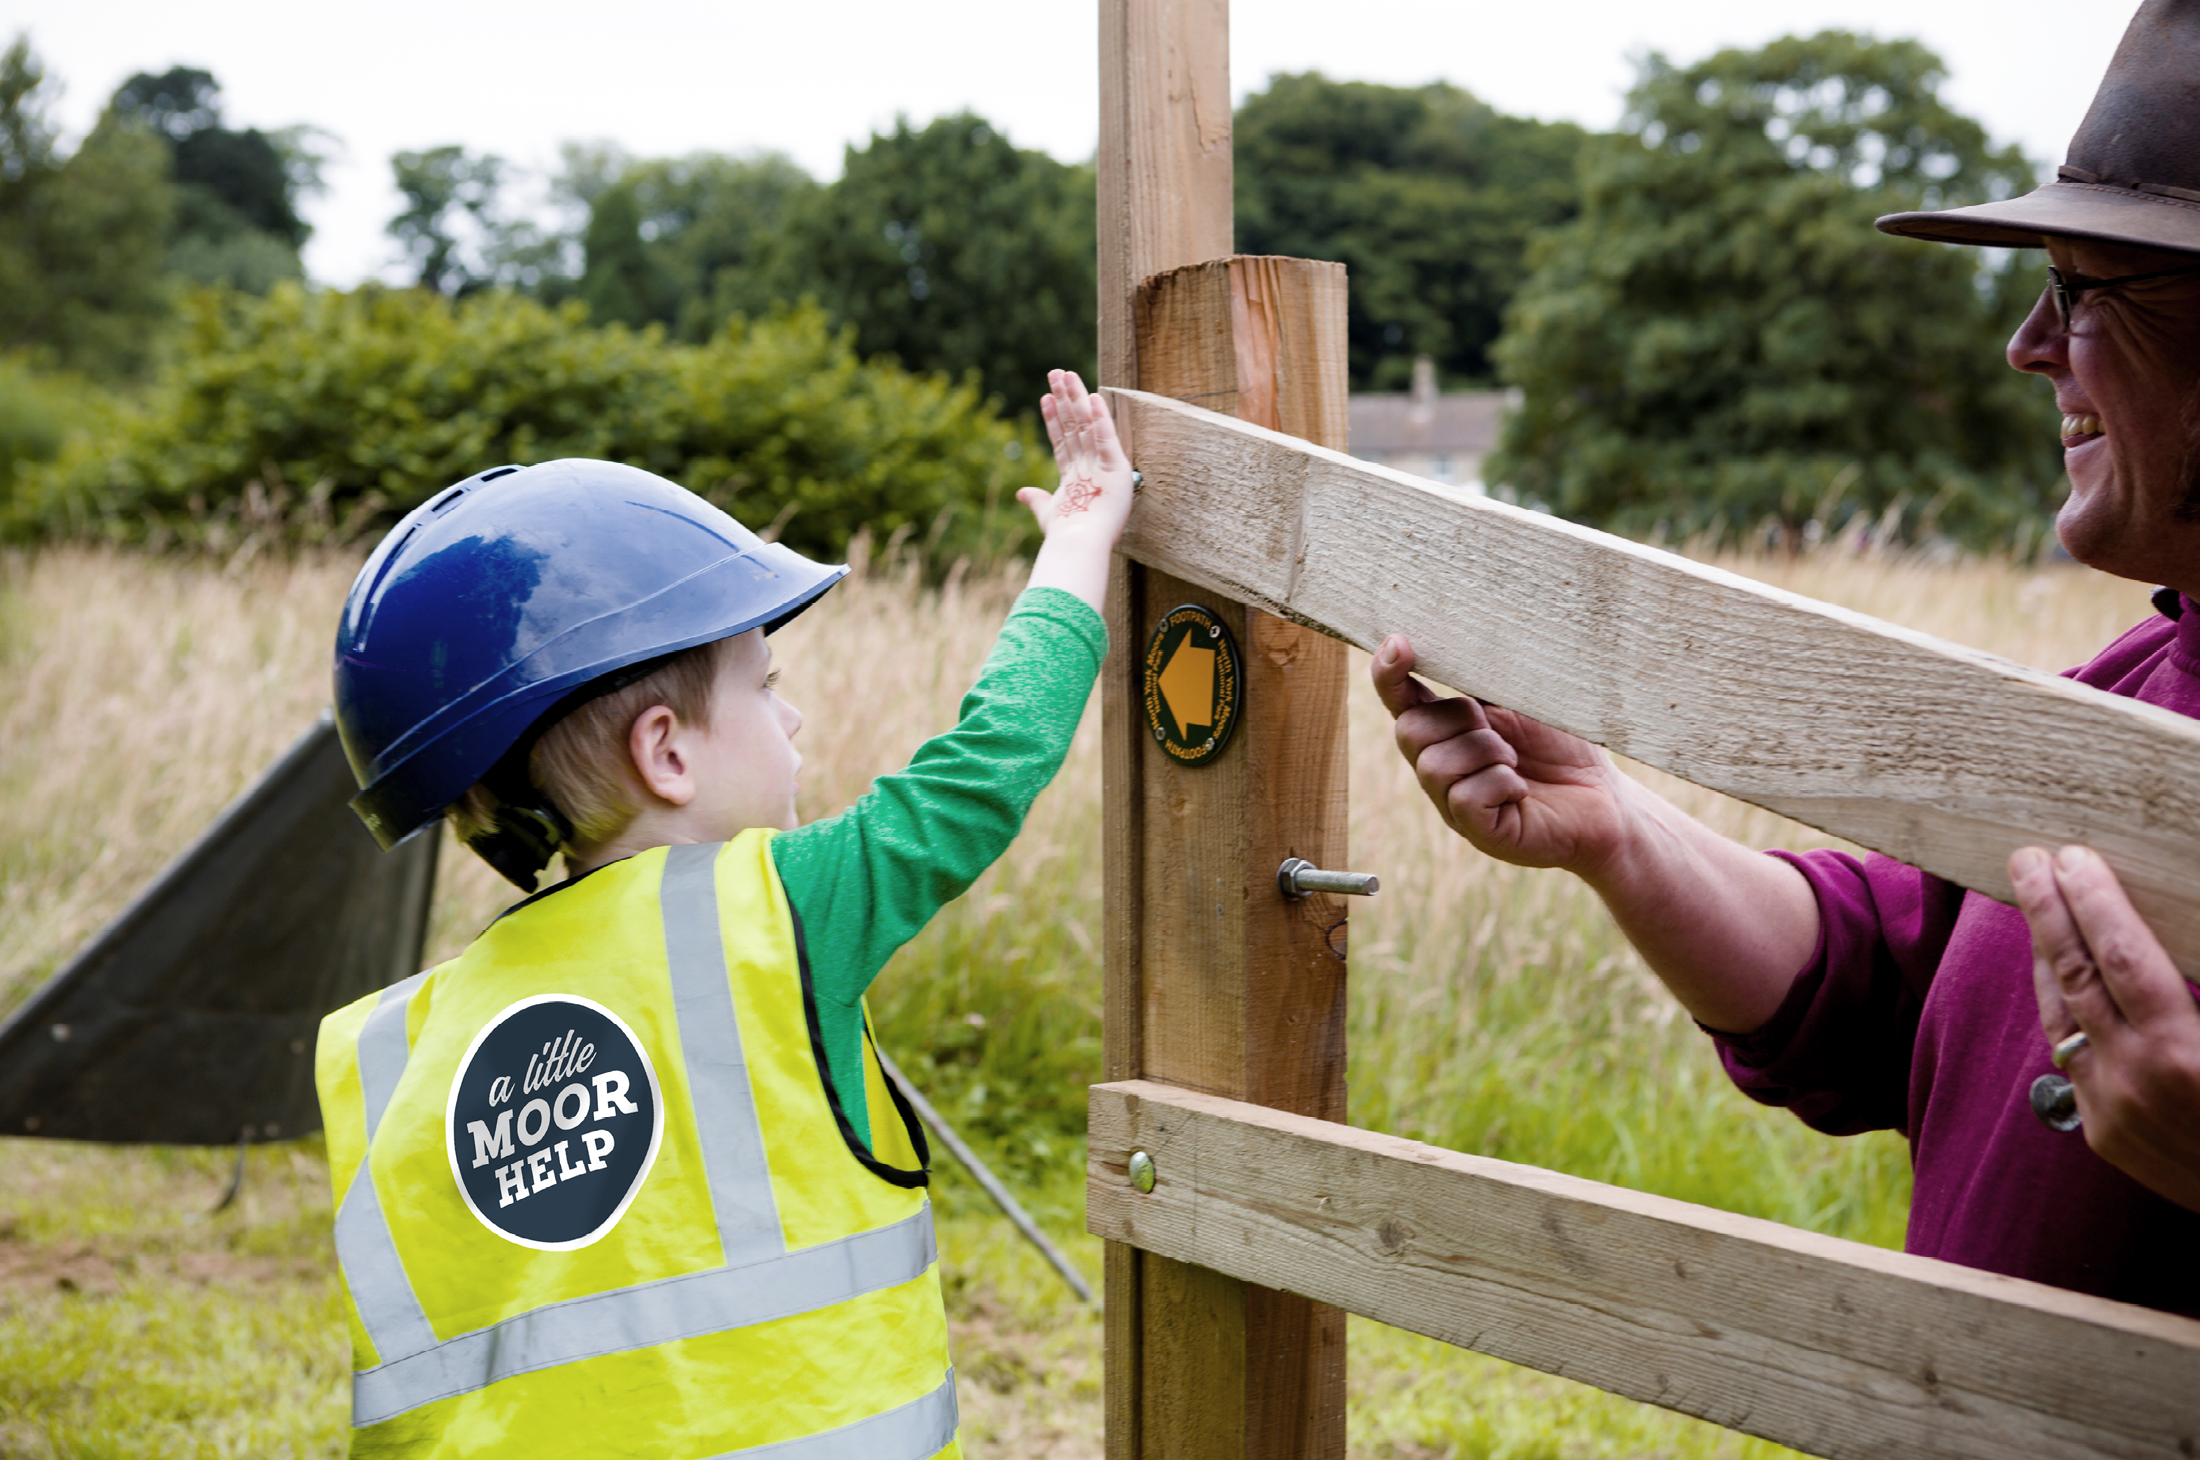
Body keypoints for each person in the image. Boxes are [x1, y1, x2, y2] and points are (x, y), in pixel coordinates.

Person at [1372, 0, 2200, 1317]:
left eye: (2083, 290)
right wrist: (1617, 829)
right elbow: (1884, 980)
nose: (2027, 344)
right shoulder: (2138, 681)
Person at [314, 370, 1133, 1457]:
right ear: (666, 751)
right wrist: (1080, 532)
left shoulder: (397, 1048)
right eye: (764, 684)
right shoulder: (786, 909)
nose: (791, 717)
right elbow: (989, 762)